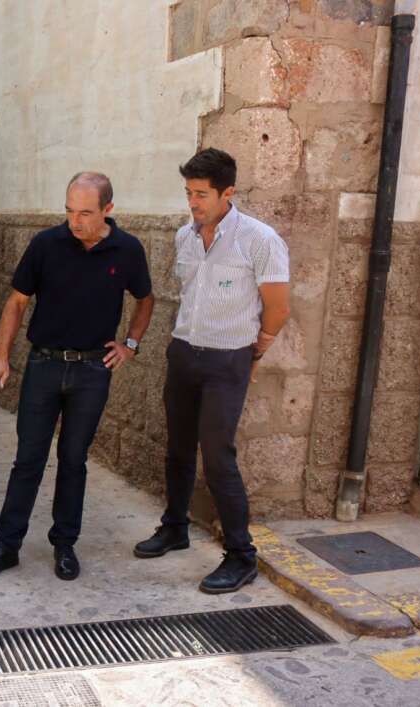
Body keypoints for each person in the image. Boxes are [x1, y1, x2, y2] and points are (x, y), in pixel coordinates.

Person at [0, 172, 155, 583]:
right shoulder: (45, 245)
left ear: (108, 210)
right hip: (44, 366)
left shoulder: (127, 250)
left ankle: (64, 544)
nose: (75, 221)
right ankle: (6, 546)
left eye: (85, 213)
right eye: (69, 211)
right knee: (28, 460)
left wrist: (130, 344)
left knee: (74, 460)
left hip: (93, 370)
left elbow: (145, 299)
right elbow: (17, 302)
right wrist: (1, 358)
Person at [133, 148, 290, 593]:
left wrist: (255, 353)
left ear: (228, 193)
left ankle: (241, 556)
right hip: (184, 353)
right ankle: (175, 527)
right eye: (189, 193)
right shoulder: (186, 237)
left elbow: (277, 308)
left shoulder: (259, 240)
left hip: (228, 359)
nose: (193, 203)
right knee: (178, 448)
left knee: (218, 457)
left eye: (201, 194)